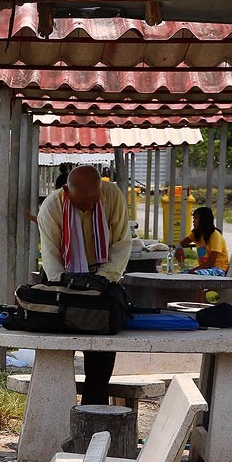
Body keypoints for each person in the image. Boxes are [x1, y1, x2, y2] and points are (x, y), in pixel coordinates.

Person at [37, 165, 131, 405]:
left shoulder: (113, 196)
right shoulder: (51, 207)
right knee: (58, 351)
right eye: (83, 205)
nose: (90, 208)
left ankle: (94, 411)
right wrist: (70, 287)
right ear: (66, 192)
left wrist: (101, 281)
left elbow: (121, 243)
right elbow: (51, 259)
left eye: (94, 202)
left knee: (101, 355)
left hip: (103, 280)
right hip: (63, 282)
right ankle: (57, 410)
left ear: (102, 189)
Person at [174, 206, 229, 276]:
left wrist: (192, 270)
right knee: (179, 276)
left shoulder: (215, 235)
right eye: (193, 218)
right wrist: (179, 248)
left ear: (204, 220)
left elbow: (210, 262)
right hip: (204, 269)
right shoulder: (196, 233)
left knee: (192, 275)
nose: (193, 221)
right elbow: (181, 243)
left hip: (218, 270)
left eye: (196, 218)